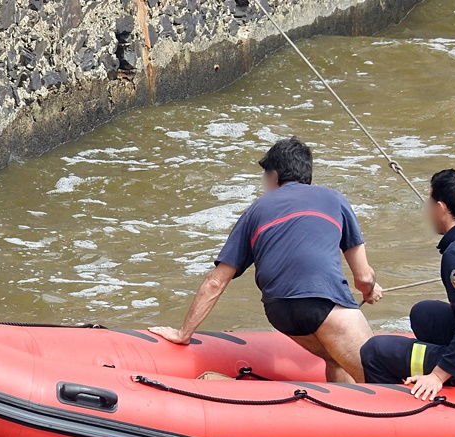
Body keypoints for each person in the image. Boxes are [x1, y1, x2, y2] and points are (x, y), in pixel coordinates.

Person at [149, 137, 383, 382]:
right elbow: (364, 276)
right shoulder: (334, 199)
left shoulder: (255, 210)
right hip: (321, 302)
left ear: (273, 176)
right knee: (379, 377)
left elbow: (216, 282)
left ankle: (341, 411)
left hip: (279, 311)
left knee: (335, 358)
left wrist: (183, 333)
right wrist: (369, 290)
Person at [361, 170, 455, 400]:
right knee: (423, 313)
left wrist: (438, 375)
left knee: (374, 351)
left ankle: (398, 417)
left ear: (440, 207)